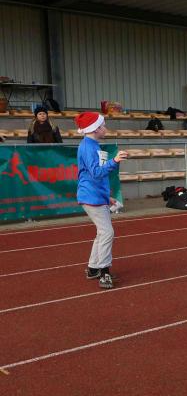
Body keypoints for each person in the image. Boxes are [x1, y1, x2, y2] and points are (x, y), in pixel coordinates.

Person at [74, 112, 128, 289]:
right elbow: (96, 173)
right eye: (103, 125)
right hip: (91, 197)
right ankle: (104, 272)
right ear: (95, 129)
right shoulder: (88, 147)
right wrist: (115, 160)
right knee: (107, 233)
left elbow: (95, 175)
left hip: (95, 195)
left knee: (102, 232)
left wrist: (107, 197)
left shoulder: (92, 145)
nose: (105, 128)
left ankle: (93, 268)